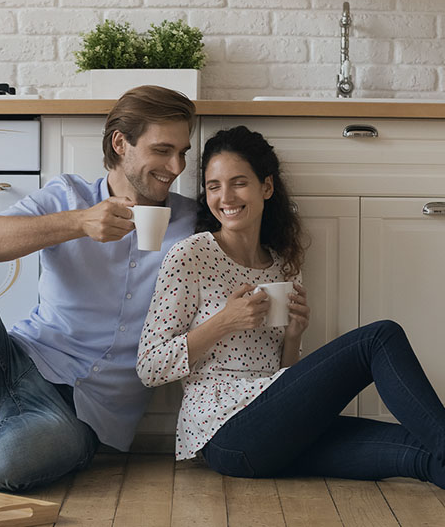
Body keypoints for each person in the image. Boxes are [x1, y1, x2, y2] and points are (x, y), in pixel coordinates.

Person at [137, 125, 445, 487]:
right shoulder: (192, 255)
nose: (225, 196)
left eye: (239, 182)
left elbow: (282, 376)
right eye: (214, 185)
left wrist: (293, 336)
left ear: (266, 187)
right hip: (226, 432)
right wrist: (224, 321)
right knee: (379, 338)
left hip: (276, 429)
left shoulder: (284, 265)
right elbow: (149, 366)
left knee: (425, 455)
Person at [0, 85, 196, 492]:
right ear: (121, 143)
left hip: (82, 418)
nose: (176, 166)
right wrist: (78, 223)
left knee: (11, 459)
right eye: (162, 150)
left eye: (183, 152)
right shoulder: (69, 197)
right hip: (10, 366)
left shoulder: (194, 223)